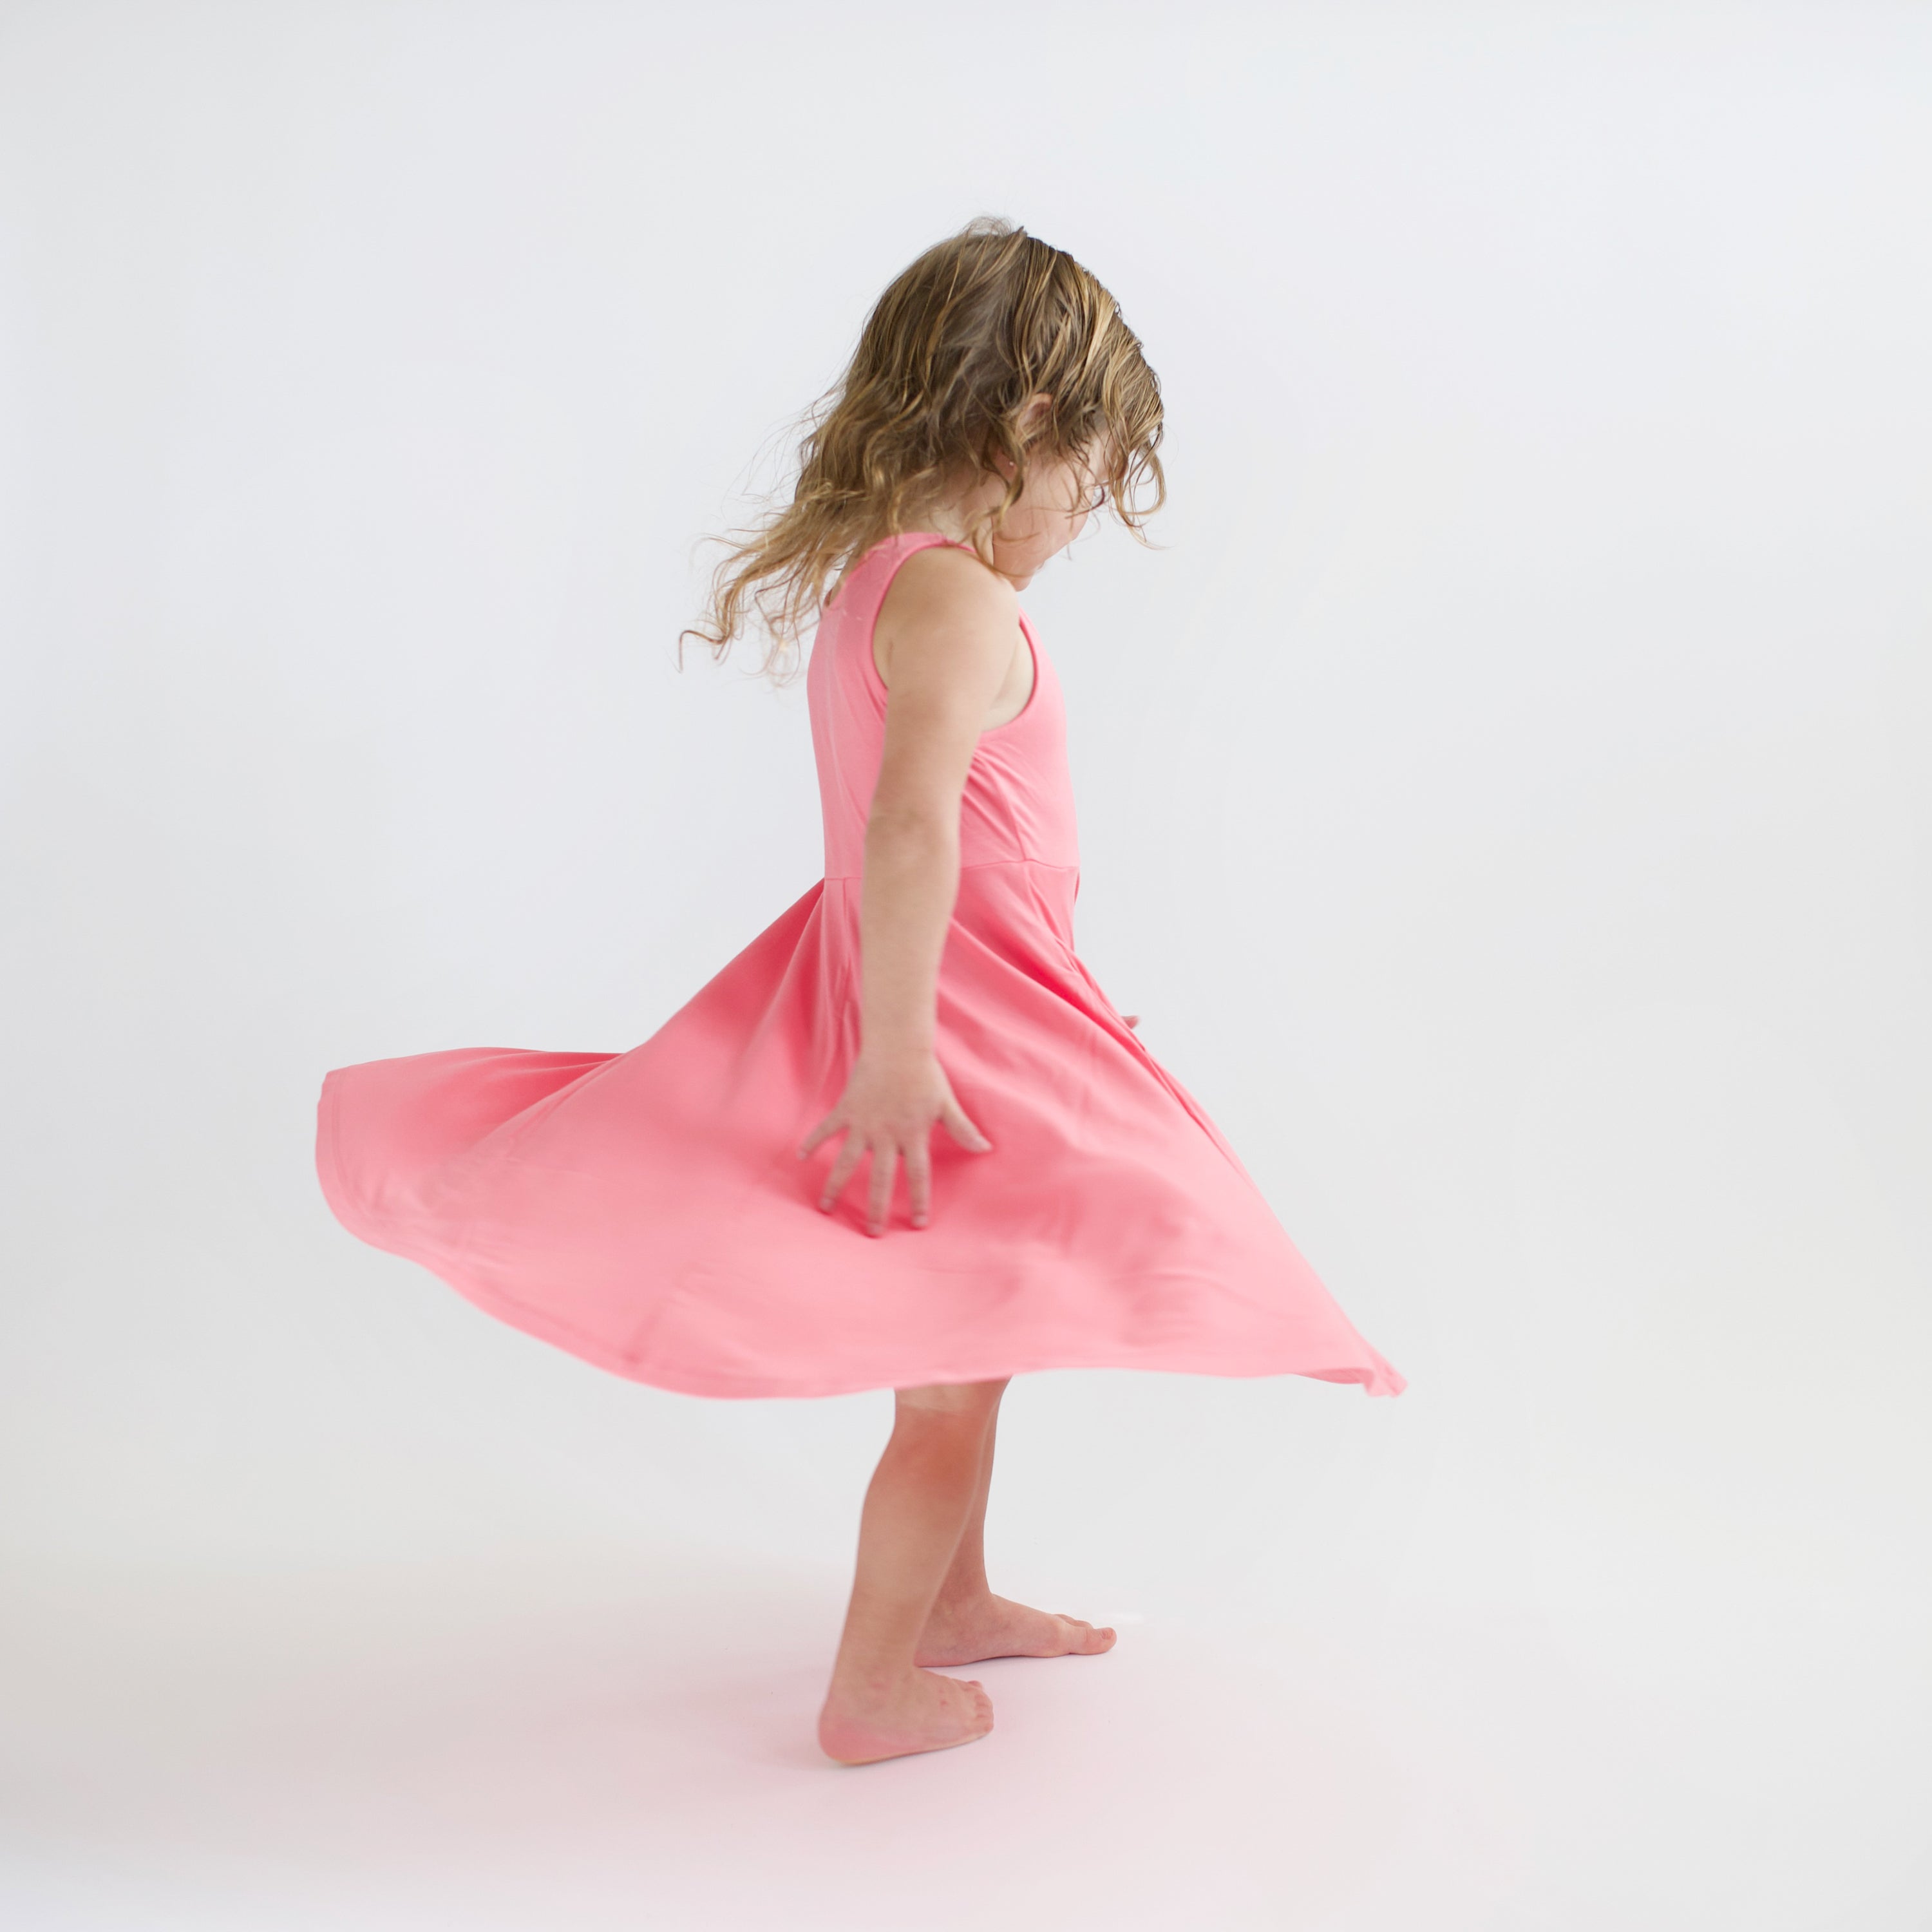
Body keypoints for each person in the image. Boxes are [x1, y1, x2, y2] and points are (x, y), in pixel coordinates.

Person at [316, 216, 1405, 1770]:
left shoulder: (881, 585)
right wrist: (897, 1053)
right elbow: (907, 824)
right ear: (1031, 429)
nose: (1079, 522)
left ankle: (950, 1602)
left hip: (992, 1002)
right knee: (950, 1389)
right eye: (1088, 484)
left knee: (984, 1323)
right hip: (957, 1026)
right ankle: (874, 1687)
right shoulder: (957, 598)